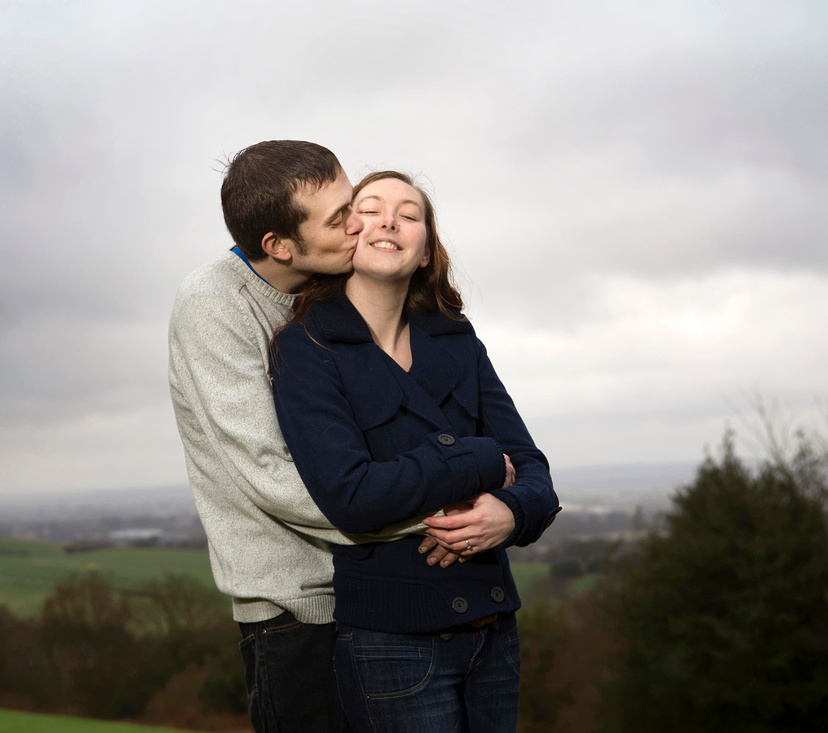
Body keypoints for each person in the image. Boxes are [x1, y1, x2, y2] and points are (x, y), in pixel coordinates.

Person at [170, 143, 476, 731]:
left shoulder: (323, 291)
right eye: (340, 218)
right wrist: (439, 515)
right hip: (296, 612)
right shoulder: (212, 305)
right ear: (279, 245)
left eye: (350, 203)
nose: (361, 223)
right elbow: (270, 476)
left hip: (374, 592)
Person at [270, 171, 560, 732]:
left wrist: (510, 513)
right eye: (371, 208)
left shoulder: (456, 337)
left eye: (409, 214)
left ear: (426, 249)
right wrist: (476, 463)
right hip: (392, 644)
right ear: (347, 235)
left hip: (494, 626)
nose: (389, 220)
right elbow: (351, 496)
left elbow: (532, 469)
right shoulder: (306, 347)